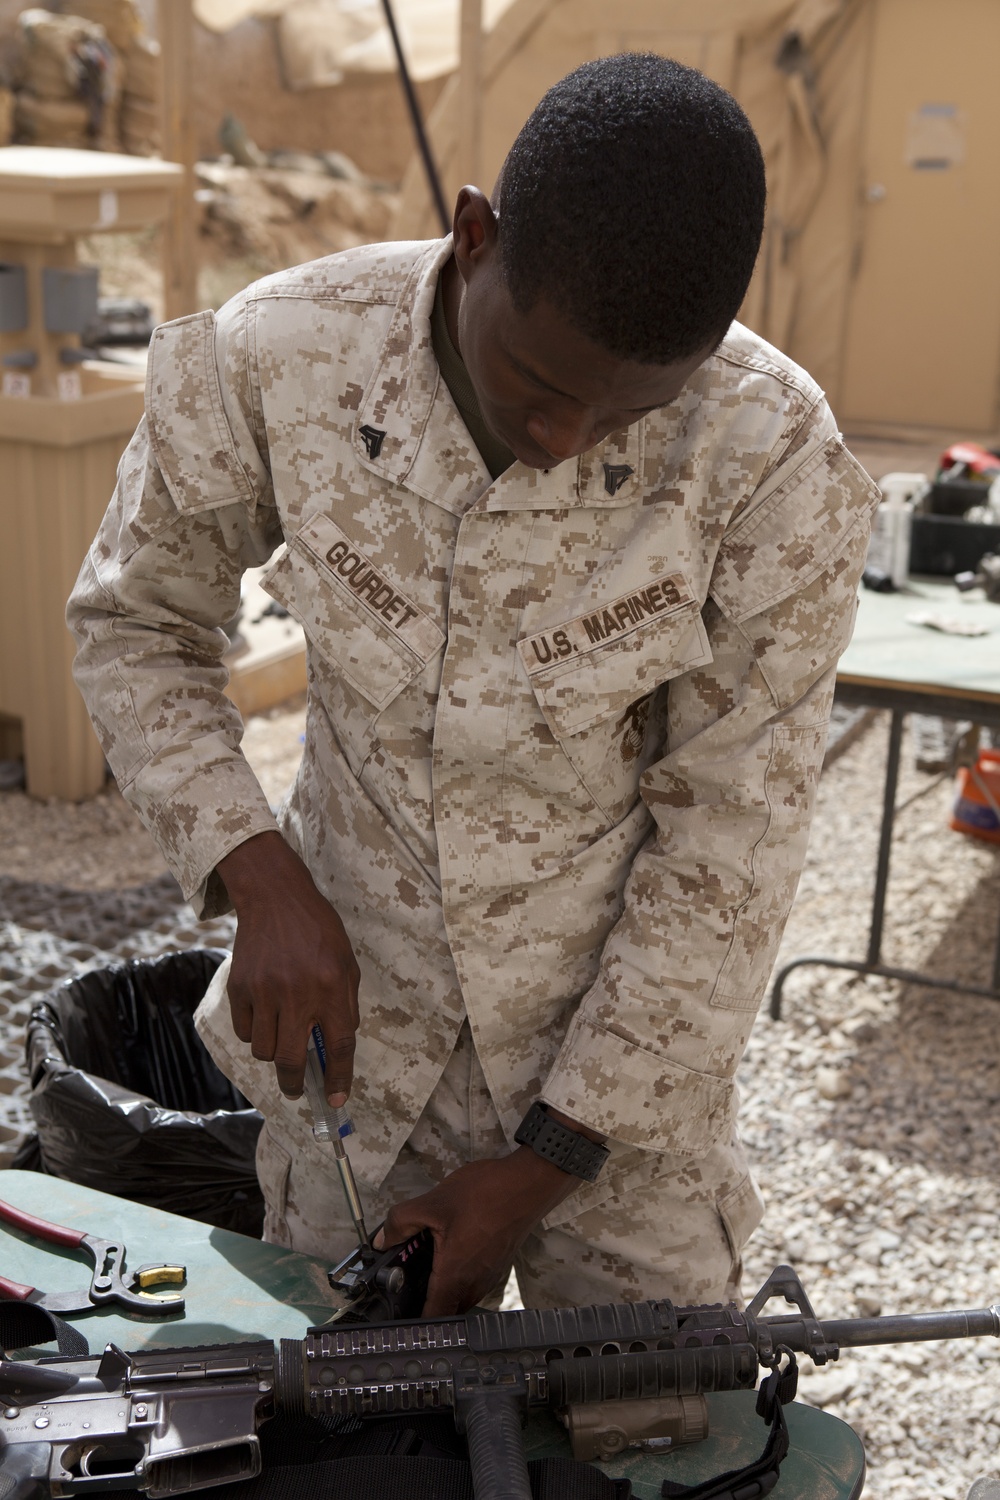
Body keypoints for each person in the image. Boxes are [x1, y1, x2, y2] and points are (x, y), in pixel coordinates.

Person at [68, 52, 878, 1319]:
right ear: (474, 236)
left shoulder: (772, 460)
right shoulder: (280, 358)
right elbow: (135, 620)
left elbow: (730, 842)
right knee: (340, 1429)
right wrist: (253, 868)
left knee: (644, 1433)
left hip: (616, 1107)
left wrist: (545, 1163)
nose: (567, 442)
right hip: (349, 1072)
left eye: (628, 416)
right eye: (544, 387)